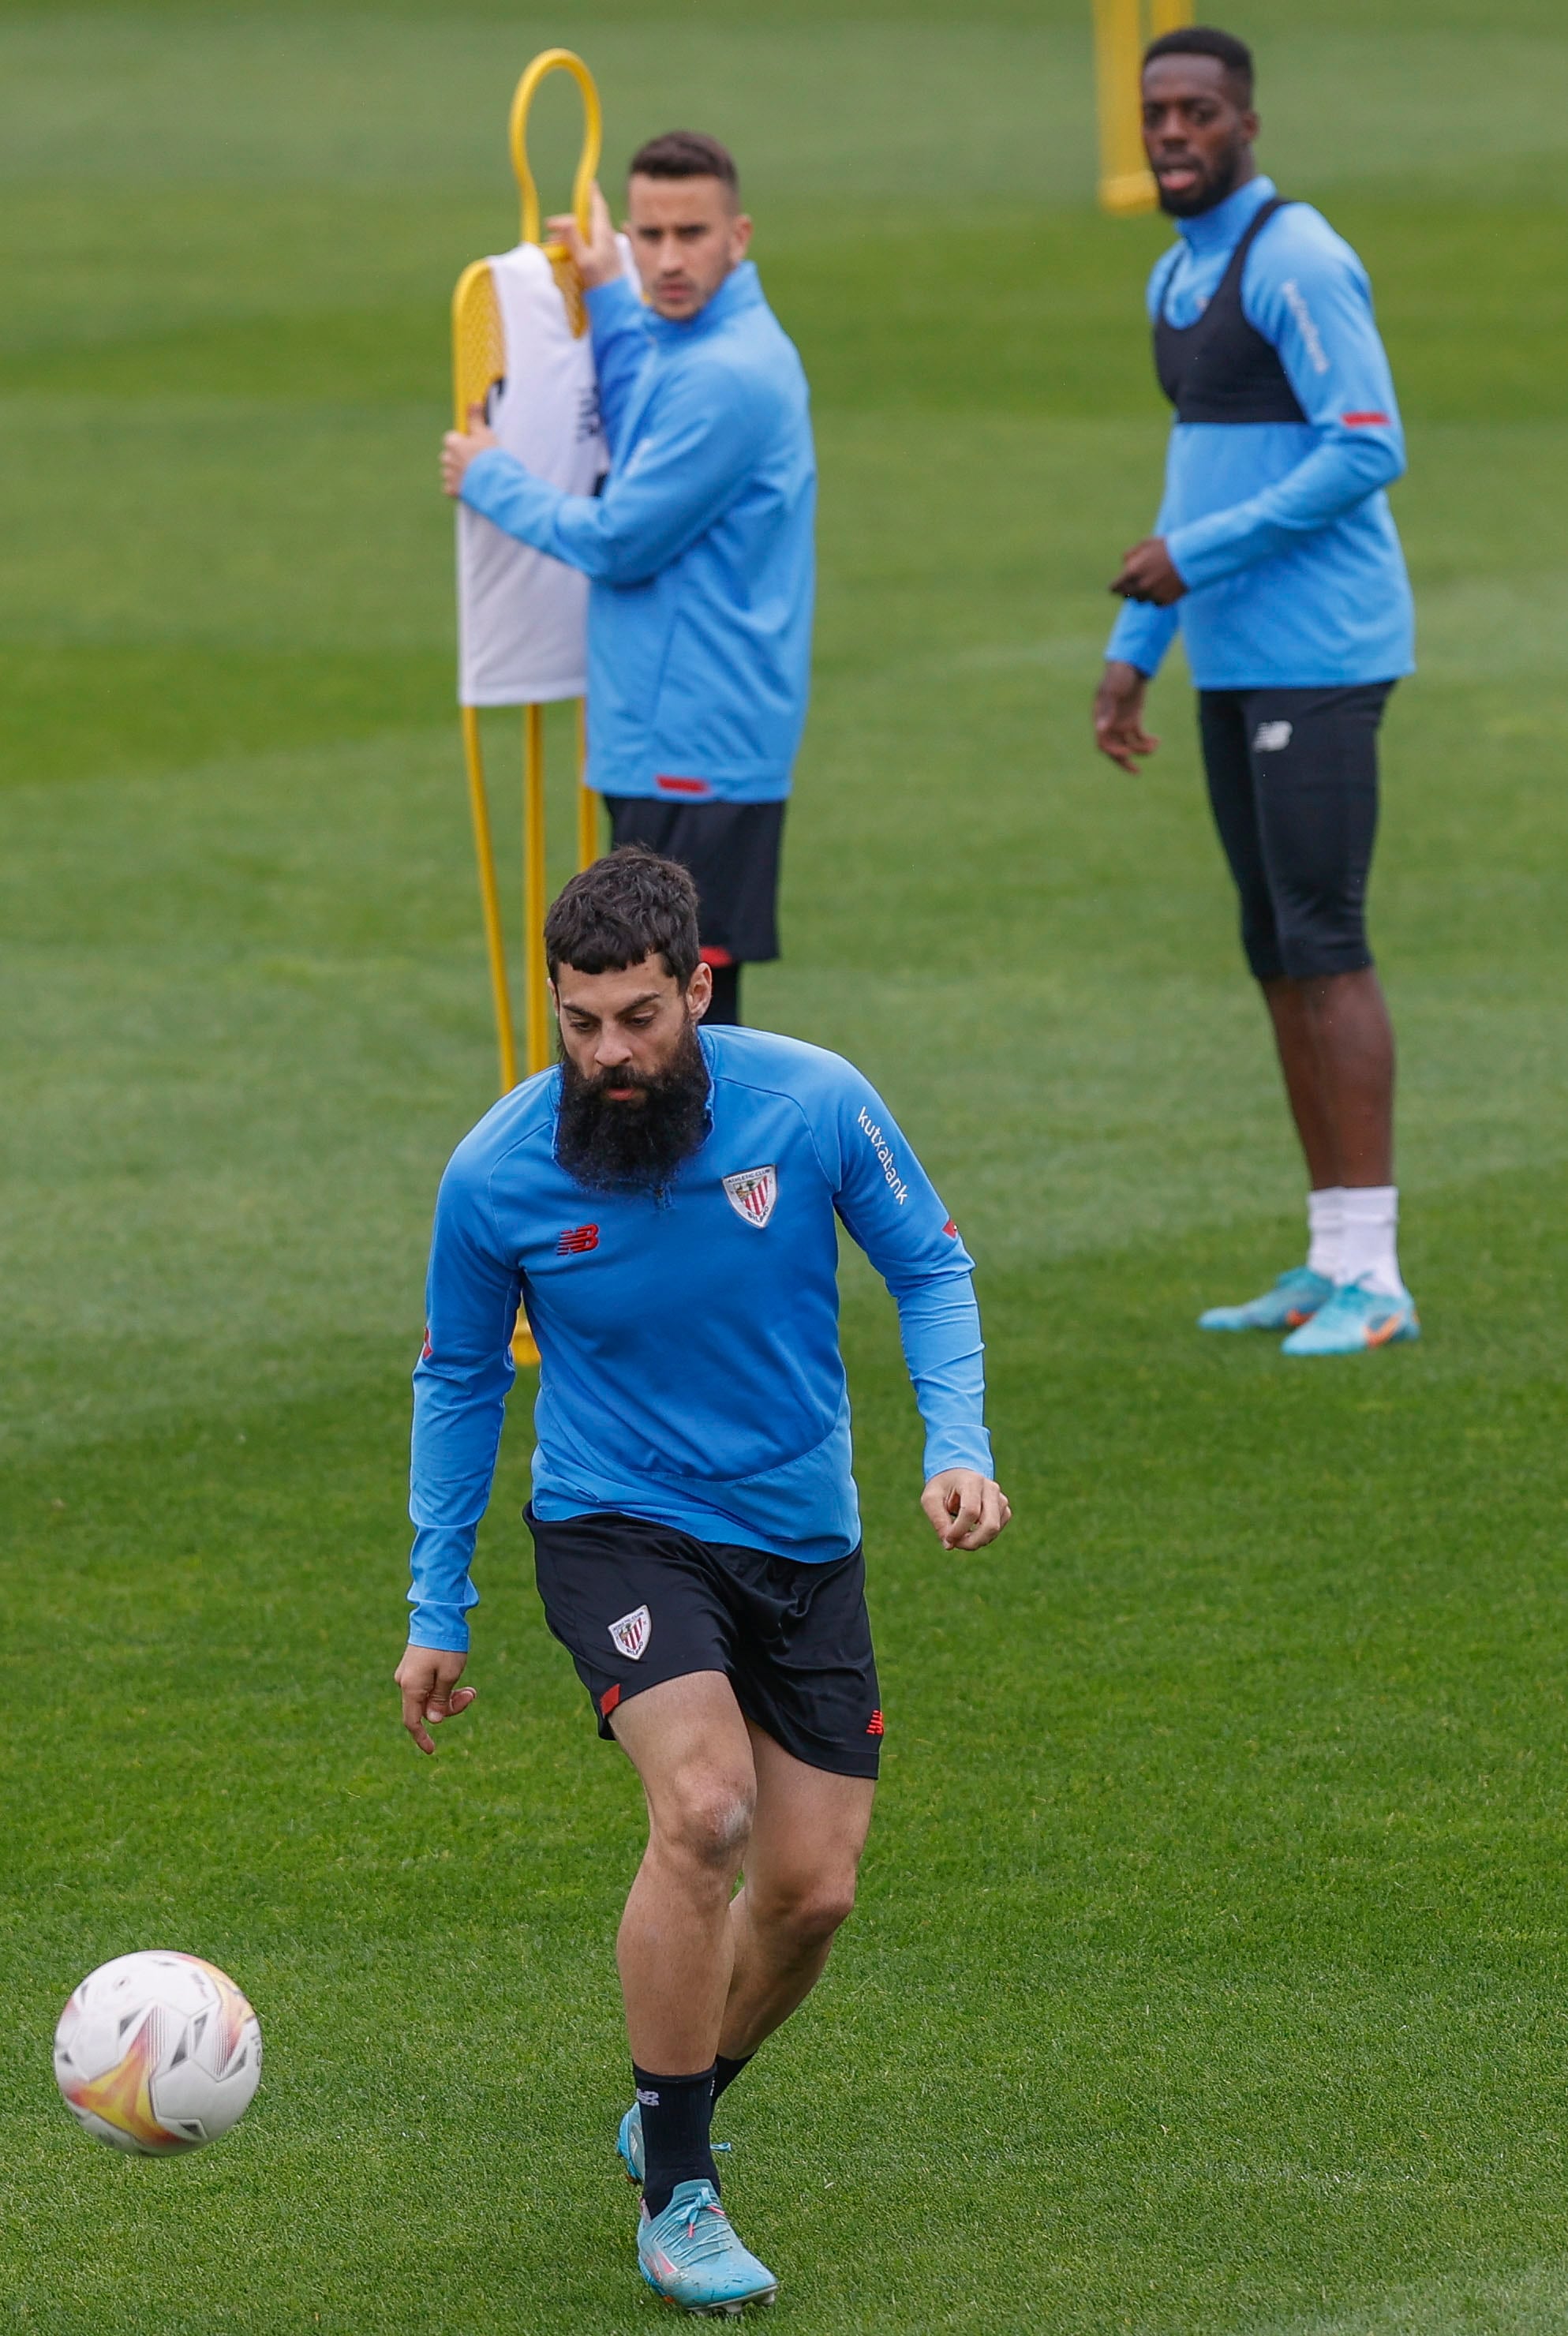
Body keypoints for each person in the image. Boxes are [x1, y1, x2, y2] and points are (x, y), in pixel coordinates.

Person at [394, 848, 1009, 2315]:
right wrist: (436, 1609)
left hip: (802, 1535)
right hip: (619, 1524)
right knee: (709, 1811)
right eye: (581, 1020)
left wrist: (956, 1444)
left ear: (698, 989)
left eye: (640, 1017)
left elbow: (930, 1266)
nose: (609, 1053)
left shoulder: (811, 1101)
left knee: (809, 1893)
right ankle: (680, 2188)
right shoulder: (496, 1175)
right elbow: (459, 1382)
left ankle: (672, 2097)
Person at [1092, 26, 1419, 1357]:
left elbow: (1368, 446)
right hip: (1229, 655)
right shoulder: (1179, 275)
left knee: (1324, 942)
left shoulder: (1295, 259)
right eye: (1155, 113)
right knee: (1273, 947)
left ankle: (1379, 1278)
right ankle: (1326, 1251)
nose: (1173, 133)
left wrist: (1195, 561)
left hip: (1323, 653)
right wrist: (1136, 643)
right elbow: (1196, 481)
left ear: (1246, 124)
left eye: (1197, 113)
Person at [441, 132, 815, 1031]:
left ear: (741, 234)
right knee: (665, 1015)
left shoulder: (727, 377)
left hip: (693, 739)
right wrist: (608, 291)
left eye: (691, 233)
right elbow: (646, 387)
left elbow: (619, 542)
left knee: (677, 1022)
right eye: (648, 235)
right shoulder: (700, 346)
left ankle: (711, 1178)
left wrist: (488, 474)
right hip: (686, 733)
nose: (668, 259)